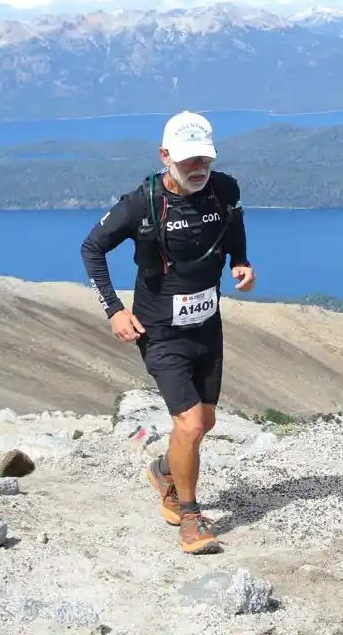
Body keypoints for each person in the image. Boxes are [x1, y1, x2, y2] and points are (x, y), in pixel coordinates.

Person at [80, 110, 255, 555]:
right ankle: (190, 520)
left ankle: (164, 470)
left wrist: (240, 261)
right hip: (160, 331)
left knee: (205, 423)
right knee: (190, 423)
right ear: (165, 156)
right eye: (188, 159)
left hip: (207, 326)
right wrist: (114, 310)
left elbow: (233, 225)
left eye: (205, 159)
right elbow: (92, 248)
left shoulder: (225, 189)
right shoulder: (142, 203)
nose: (198, 168)